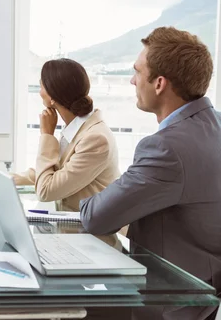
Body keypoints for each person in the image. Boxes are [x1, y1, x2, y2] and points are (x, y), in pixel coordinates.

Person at [80, 27, 221, 320]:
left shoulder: (167, 147)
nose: (132, 81)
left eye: (137, 72)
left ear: (159, 83)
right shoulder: (215, 124)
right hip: (205, 293)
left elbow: (95, 217)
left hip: (168, 303)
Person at [0, 59, 120, 212]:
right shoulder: (79, 128)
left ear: (53, 96)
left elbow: (46, 190)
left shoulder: (96, 139)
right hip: (72, 227)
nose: (39, 91)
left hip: (90, 233)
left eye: (41, 85)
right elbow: (50, 174)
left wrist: (46, 135)